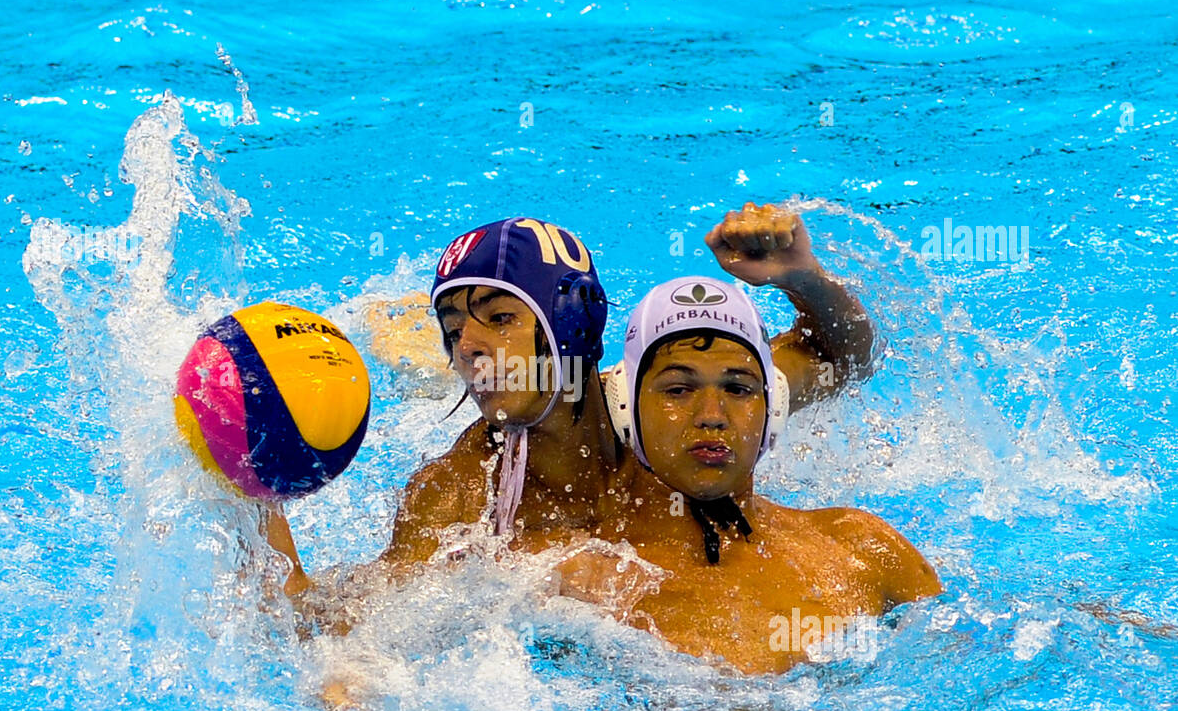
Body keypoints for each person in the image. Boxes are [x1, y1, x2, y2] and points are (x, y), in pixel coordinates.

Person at [265, 204, 876, 635]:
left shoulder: (675, 403)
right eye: (453, 333)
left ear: (569, 326)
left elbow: (841, 357)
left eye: (499, 319)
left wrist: (803, 279)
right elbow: (330, 626)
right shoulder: (457, 493)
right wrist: (256, 489)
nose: (469, 348)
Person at [558, 275, 940, 673]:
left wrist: (799, 273)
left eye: (737, 390)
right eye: (678, 390)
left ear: (771, 409)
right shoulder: (577, 584)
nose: (711, 417)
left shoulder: (865, 551)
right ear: (625, 408)